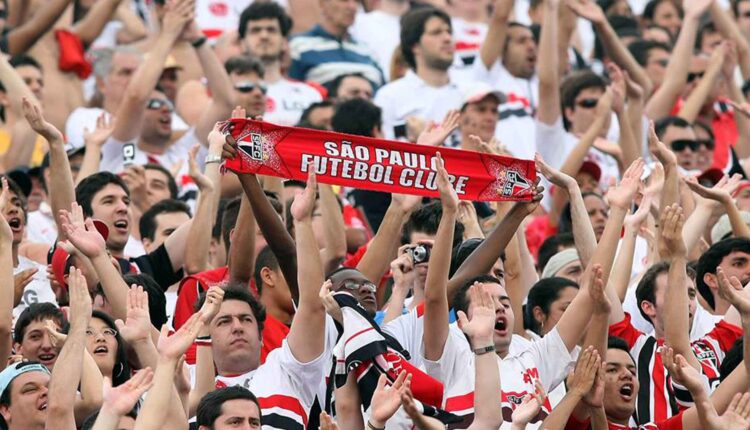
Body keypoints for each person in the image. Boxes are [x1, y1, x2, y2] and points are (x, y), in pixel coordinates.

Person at [238, 2, 323, 126]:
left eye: (271, 30)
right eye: (255, 30)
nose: (264, 36)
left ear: (284, 42)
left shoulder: (311, 94)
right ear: (243, 43)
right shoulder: (230, 94)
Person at [288, 0, 383, 89]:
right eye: (343, 0)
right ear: (323, 4)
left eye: (356, 1)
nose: (352, 6)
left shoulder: (368, 52)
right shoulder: (297, 46)